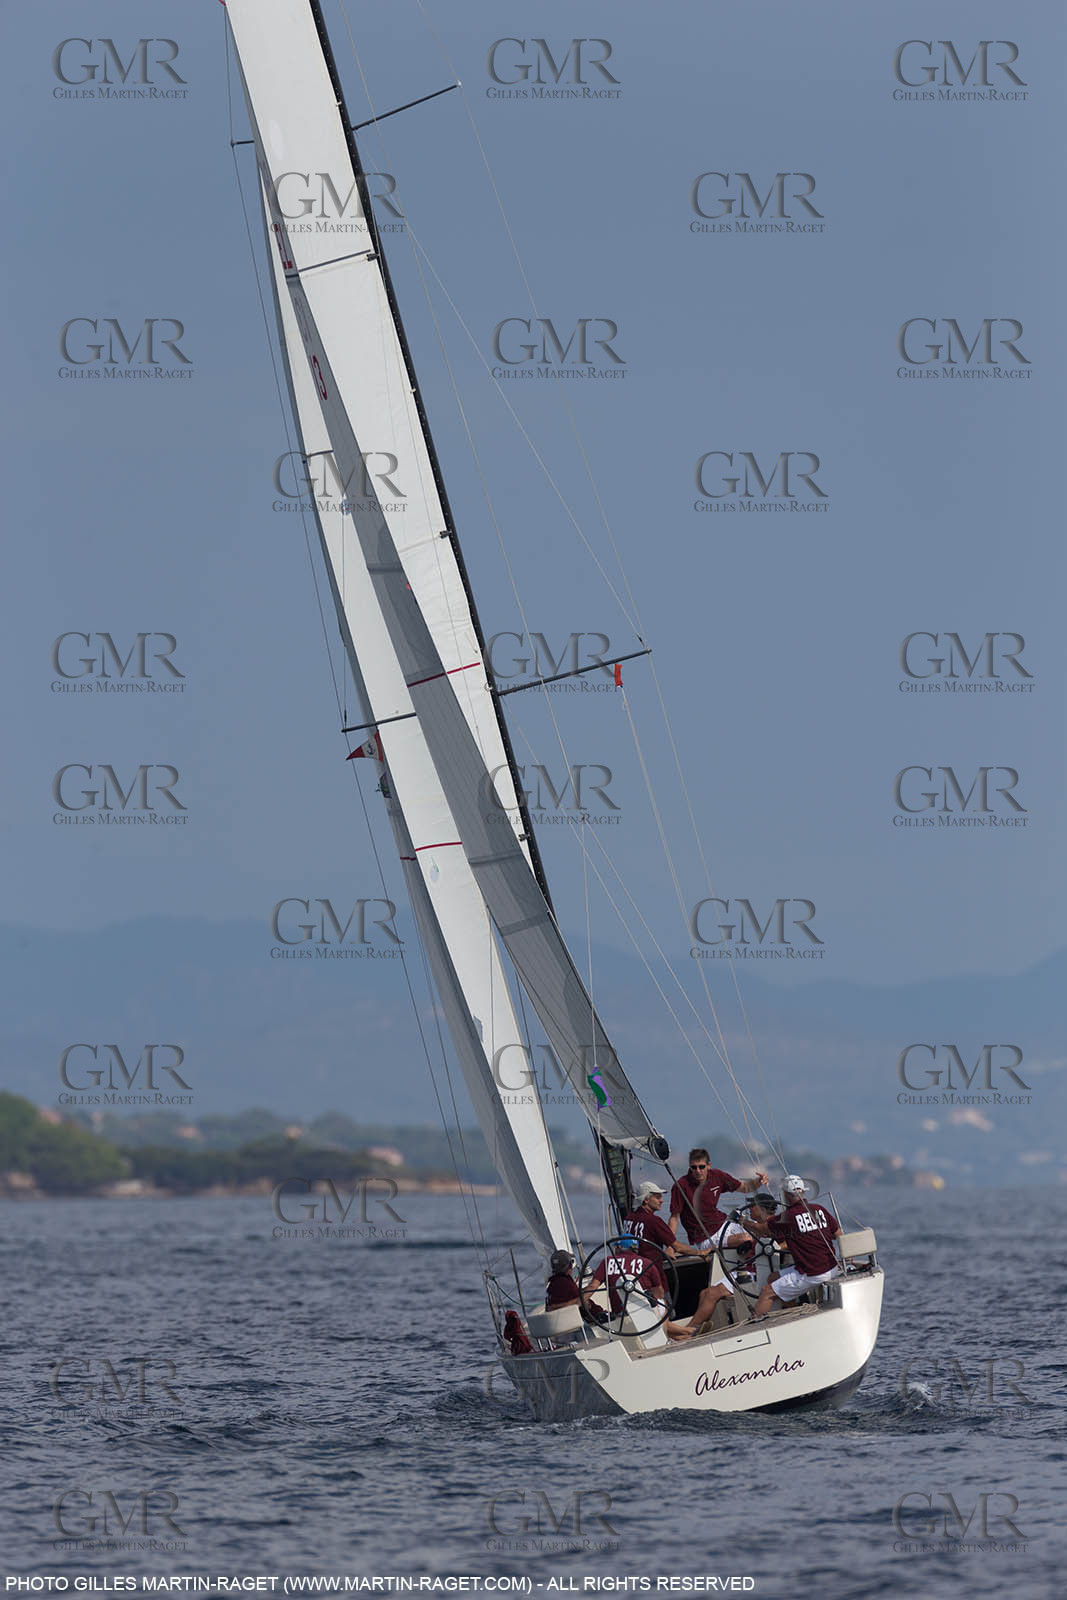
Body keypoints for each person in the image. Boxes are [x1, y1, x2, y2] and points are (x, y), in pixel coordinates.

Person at [748, 1175, 841, 1317]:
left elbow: (761, 1229)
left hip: (812, 1273)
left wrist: (742, 1220)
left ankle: (753, 1327)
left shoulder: (788, 1217)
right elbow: (838, 1234)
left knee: (767, 1292)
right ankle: (792, 1311)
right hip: (832, 1267)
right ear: (803, 1192)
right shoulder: (819, 1209)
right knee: (773, 1278)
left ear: (785, 1195)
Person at [669, 1149, 769, 1266]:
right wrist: (671, 1245)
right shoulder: (681, 1186)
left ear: (708, 1166)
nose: (698, 1171)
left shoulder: (717, 1176)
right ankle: (716, 1250)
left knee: (763, 1231)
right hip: (706, 1237)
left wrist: (759, 1181)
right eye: (693, 1167)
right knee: (746, 1239)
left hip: (724, 1223)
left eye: (701, 1167)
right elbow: (674, 1218)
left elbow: (744, 1188)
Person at [589, 1234, 690, 1341]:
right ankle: (689, 1332)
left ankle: (688, 1333)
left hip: (621, 1315)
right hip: (646, 1310)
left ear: (619, 1248)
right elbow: (659, 1293)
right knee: (661, 1302)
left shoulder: (607, 1262)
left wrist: (579, 1301)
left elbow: (592, 1286)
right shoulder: (648, 1263)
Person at [623, 1180, 704, 1260]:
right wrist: (700, 1253)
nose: (661, 1201)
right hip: (652, 1269)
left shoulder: (628, 1218)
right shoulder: (653, 1221)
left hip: (634, 1267)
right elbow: (678, 1247)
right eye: (658, 1197)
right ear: (646, 1200)